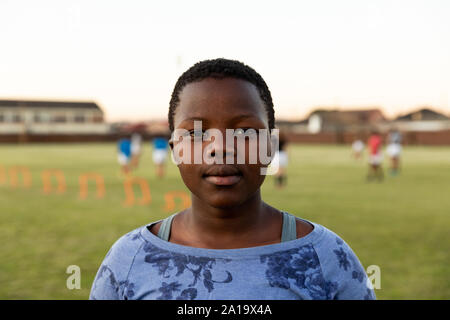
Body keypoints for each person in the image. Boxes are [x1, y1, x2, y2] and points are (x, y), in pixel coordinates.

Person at [90, 58, 375, 300]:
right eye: (196, 133)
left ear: (271, 146)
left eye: (244, 131)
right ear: (175, 149)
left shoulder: (326, 256)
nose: (220, 147)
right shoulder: (129, 259)